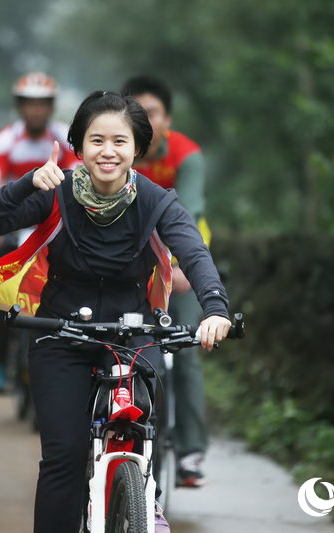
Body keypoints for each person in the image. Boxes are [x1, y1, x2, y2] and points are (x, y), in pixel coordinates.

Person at [0, 91, 232, 533]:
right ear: (79, 146)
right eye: (97, 140)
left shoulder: (157, 201)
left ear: (137, 148)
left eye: (120, 142)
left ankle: (145, 501)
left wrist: (215, 309)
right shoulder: (57, 192)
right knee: (63, 459)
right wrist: (28, 182)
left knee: (146, 433)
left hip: (133, 332)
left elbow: (195, 254)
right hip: (59, 335)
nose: (108, 151)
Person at [122, 75, 212, 487]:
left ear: (167, 119)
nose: (146, 120)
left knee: (188, 345)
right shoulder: (117, 151)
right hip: (133, 263)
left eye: (153, 113)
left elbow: (188, 216)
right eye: (137, 113)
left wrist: (179, 268)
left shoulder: (186, 156)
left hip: (185, 261)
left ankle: (191, 451)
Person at [0, 72, 78, 393]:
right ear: (19, 107)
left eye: (42, 104)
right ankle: (0, 365)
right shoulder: (5, 140)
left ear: (51, 107)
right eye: (29, 104)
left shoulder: (65, 137)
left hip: (53, 224)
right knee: (3, 298)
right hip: (15, 225)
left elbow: (79, 175)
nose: (35, 110)